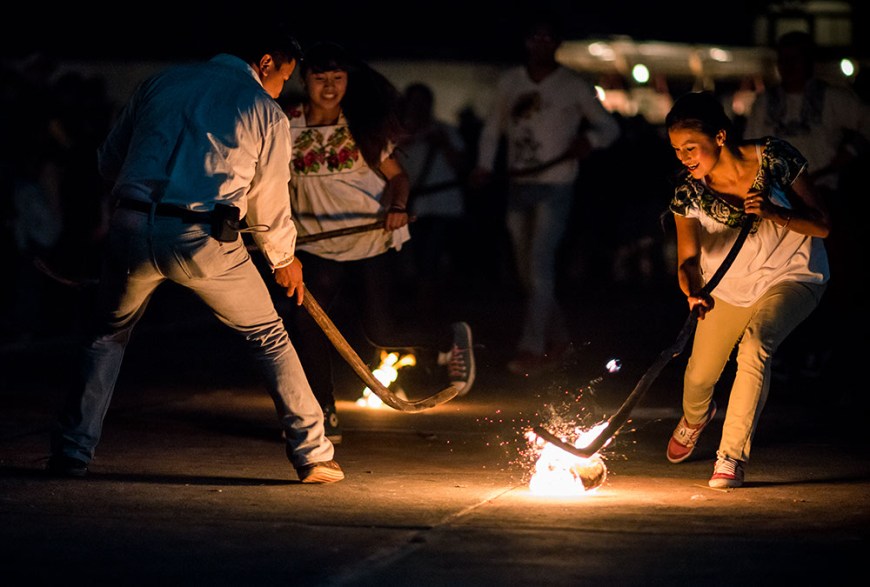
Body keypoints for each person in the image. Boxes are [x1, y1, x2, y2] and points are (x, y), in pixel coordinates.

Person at [46, 27, 345, 484]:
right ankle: (313, 455)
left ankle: (71, 452)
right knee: (268, 335)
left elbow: (109, 161)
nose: (283, 88)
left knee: (106, 336)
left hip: (131, 225)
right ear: (265, 64)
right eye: (284, 77)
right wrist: (283, 259)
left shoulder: (160, 82)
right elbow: (270, 199)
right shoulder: (265, 110)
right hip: (203, 237)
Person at [280, 42, 475, 444]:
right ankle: (322, 415)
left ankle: (449, 337)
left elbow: (398, 178)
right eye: (320, 78)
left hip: (369, 237)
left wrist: (398, 206)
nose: (329, 87)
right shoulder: (286, 122)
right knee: (307, 323)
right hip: (316, 243)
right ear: (305, 80)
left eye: (337, 78)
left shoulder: (361, 125)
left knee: (381, 332)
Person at [664, 91, 831, 488]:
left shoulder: (774, 157)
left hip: (792, 274)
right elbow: (687, 261)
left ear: (720, 137)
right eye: (676, 150)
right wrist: (692, 290)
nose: (684, 157)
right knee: (699, 379)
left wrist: (775, 213)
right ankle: (696, 417)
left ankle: (730, 457)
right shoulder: (688, 193)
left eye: (692, 146)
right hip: (729, 288)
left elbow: (822, 225)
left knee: (756, 346)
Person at [470, 15, 621, 376]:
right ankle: (560, 339)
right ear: (526, 42)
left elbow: (609, 126)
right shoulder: (511, 81)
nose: (540, 43)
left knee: (539, 264)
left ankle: (532, 348)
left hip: (556, 183)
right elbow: (494, 127)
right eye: (534, 37)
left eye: (546, 37)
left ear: (556, 43)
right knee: (527, 270)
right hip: (518, 184)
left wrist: (590, 141)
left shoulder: (572, 85)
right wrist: (484, 165)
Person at [743, 30, 870, 383]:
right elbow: (751, 147)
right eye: (783, 60)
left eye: (795, 59)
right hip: (777, 200)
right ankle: (786, 351)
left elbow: (865, 125)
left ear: (809, 62)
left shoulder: (833, 98)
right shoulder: (764, 103)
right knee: (777, 275)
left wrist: (845, 157)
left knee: (821, 275)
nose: (788, 67)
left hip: (820, 193)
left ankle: (821, 352)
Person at [395, 81, 471, 324]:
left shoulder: (444, 131)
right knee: (413, 263)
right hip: (411, 207)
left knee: (430, 262)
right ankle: (420, 313)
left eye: (421, 102)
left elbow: (462, 165)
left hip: (442, 206)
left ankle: (425, 315)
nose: (417, 107)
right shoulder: (398, 136)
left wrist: (443, 144)